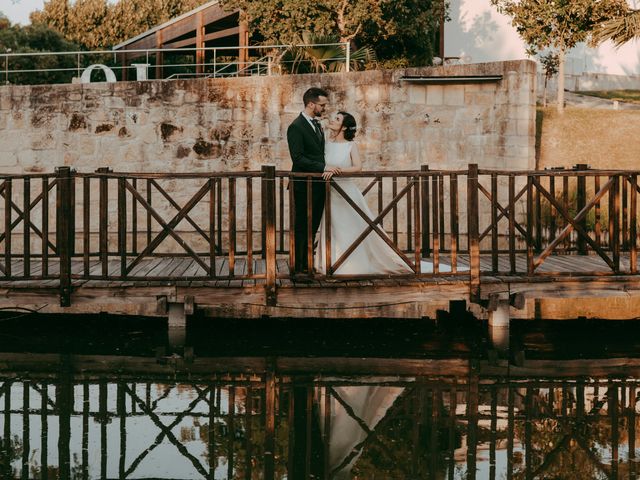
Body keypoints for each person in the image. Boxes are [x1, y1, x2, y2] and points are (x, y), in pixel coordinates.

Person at [314, 112, 413, 275]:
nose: (332, 119)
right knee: (332, 227)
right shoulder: (325, 143)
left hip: (346, 192)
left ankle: (352, 266)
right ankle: (330, 263)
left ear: (344, 127)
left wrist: (338, 171)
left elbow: (357, 167)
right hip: (330, 193)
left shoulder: (350, 145)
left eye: (337, 119)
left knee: (350, 227)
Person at [287, 87, 340, 277]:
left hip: (317, 184)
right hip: (303, 185)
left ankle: (307, 264)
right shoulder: (296, 127)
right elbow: (298, 158)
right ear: (311, 104)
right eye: (322, 105)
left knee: (313, 225)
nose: (324, 109)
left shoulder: (316, 124)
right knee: (302, 225)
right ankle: (298, 267)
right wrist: (323, 167)